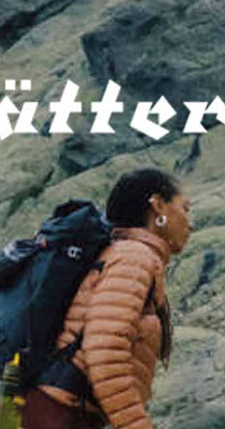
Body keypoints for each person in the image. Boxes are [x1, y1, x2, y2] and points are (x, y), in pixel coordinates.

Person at [27, 169, 193, 429]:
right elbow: (105, 353)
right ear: (158, 206)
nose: (190, 223)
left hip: (58, 409)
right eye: (185, 208)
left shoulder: (123, 253)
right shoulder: (133, 258)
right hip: (60, 415)